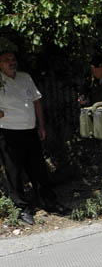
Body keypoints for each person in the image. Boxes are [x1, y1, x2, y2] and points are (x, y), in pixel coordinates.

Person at [0, 39, 58, 225]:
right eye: (7, 59)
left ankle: (49, 202)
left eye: (13, 58)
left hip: (30, 131)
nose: (12, 62)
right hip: (9, 134)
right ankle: (23, 209)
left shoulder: (25, 77)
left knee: (39, 170)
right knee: (14, 174)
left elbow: (36, 102)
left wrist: (41, 126)